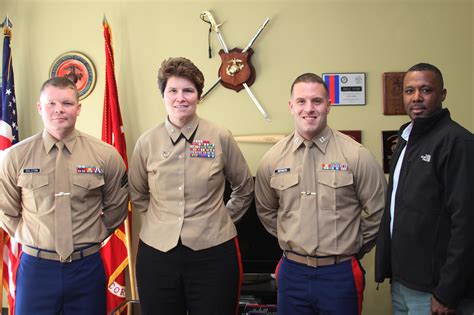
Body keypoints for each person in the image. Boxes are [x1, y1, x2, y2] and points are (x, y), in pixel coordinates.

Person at [129, 57, 254, 315]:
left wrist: (222, 218)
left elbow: (243, 186)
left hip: (213, 254)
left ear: (198, 95)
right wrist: (160, 220)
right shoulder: (147, 142)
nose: (180, 98)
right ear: (163, 95)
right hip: (157, 254)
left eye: (188, 90)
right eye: (172, 91)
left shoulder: (220, 136)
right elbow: (137, 192)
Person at [255, 73, 386, 315]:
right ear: (291, 106)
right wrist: (292, 235)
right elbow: (266, 210)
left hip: (339, 273)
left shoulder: (356, 155)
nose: (309, 109)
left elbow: (378, 211)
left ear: (329, 105)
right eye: (301, 101)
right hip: (292, 272)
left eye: (317, 101)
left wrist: (354, 245)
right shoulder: (272, 159)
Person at [0, 77, 129, 315]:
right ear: (40, 108)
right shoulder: (15, 157)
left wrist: (93, 234)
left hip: (86, 267)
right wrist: (32, 238)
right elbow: (6, 212)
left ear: (78, 108)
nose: (59, 109)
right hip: (36, 268)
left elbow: (117, 209)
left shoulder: (105, 156)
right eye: (51, 103)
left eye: (67, 103)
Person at [375, 63, 474, 315]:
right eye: (409, 91)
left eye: (426, 90)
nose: (416, 97)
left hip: (435, 290)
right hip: (402, 283)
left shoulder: (458, 143)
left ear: (442, 95)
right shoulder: (405, 141)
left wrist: (448, 291)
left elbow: (467, 223)